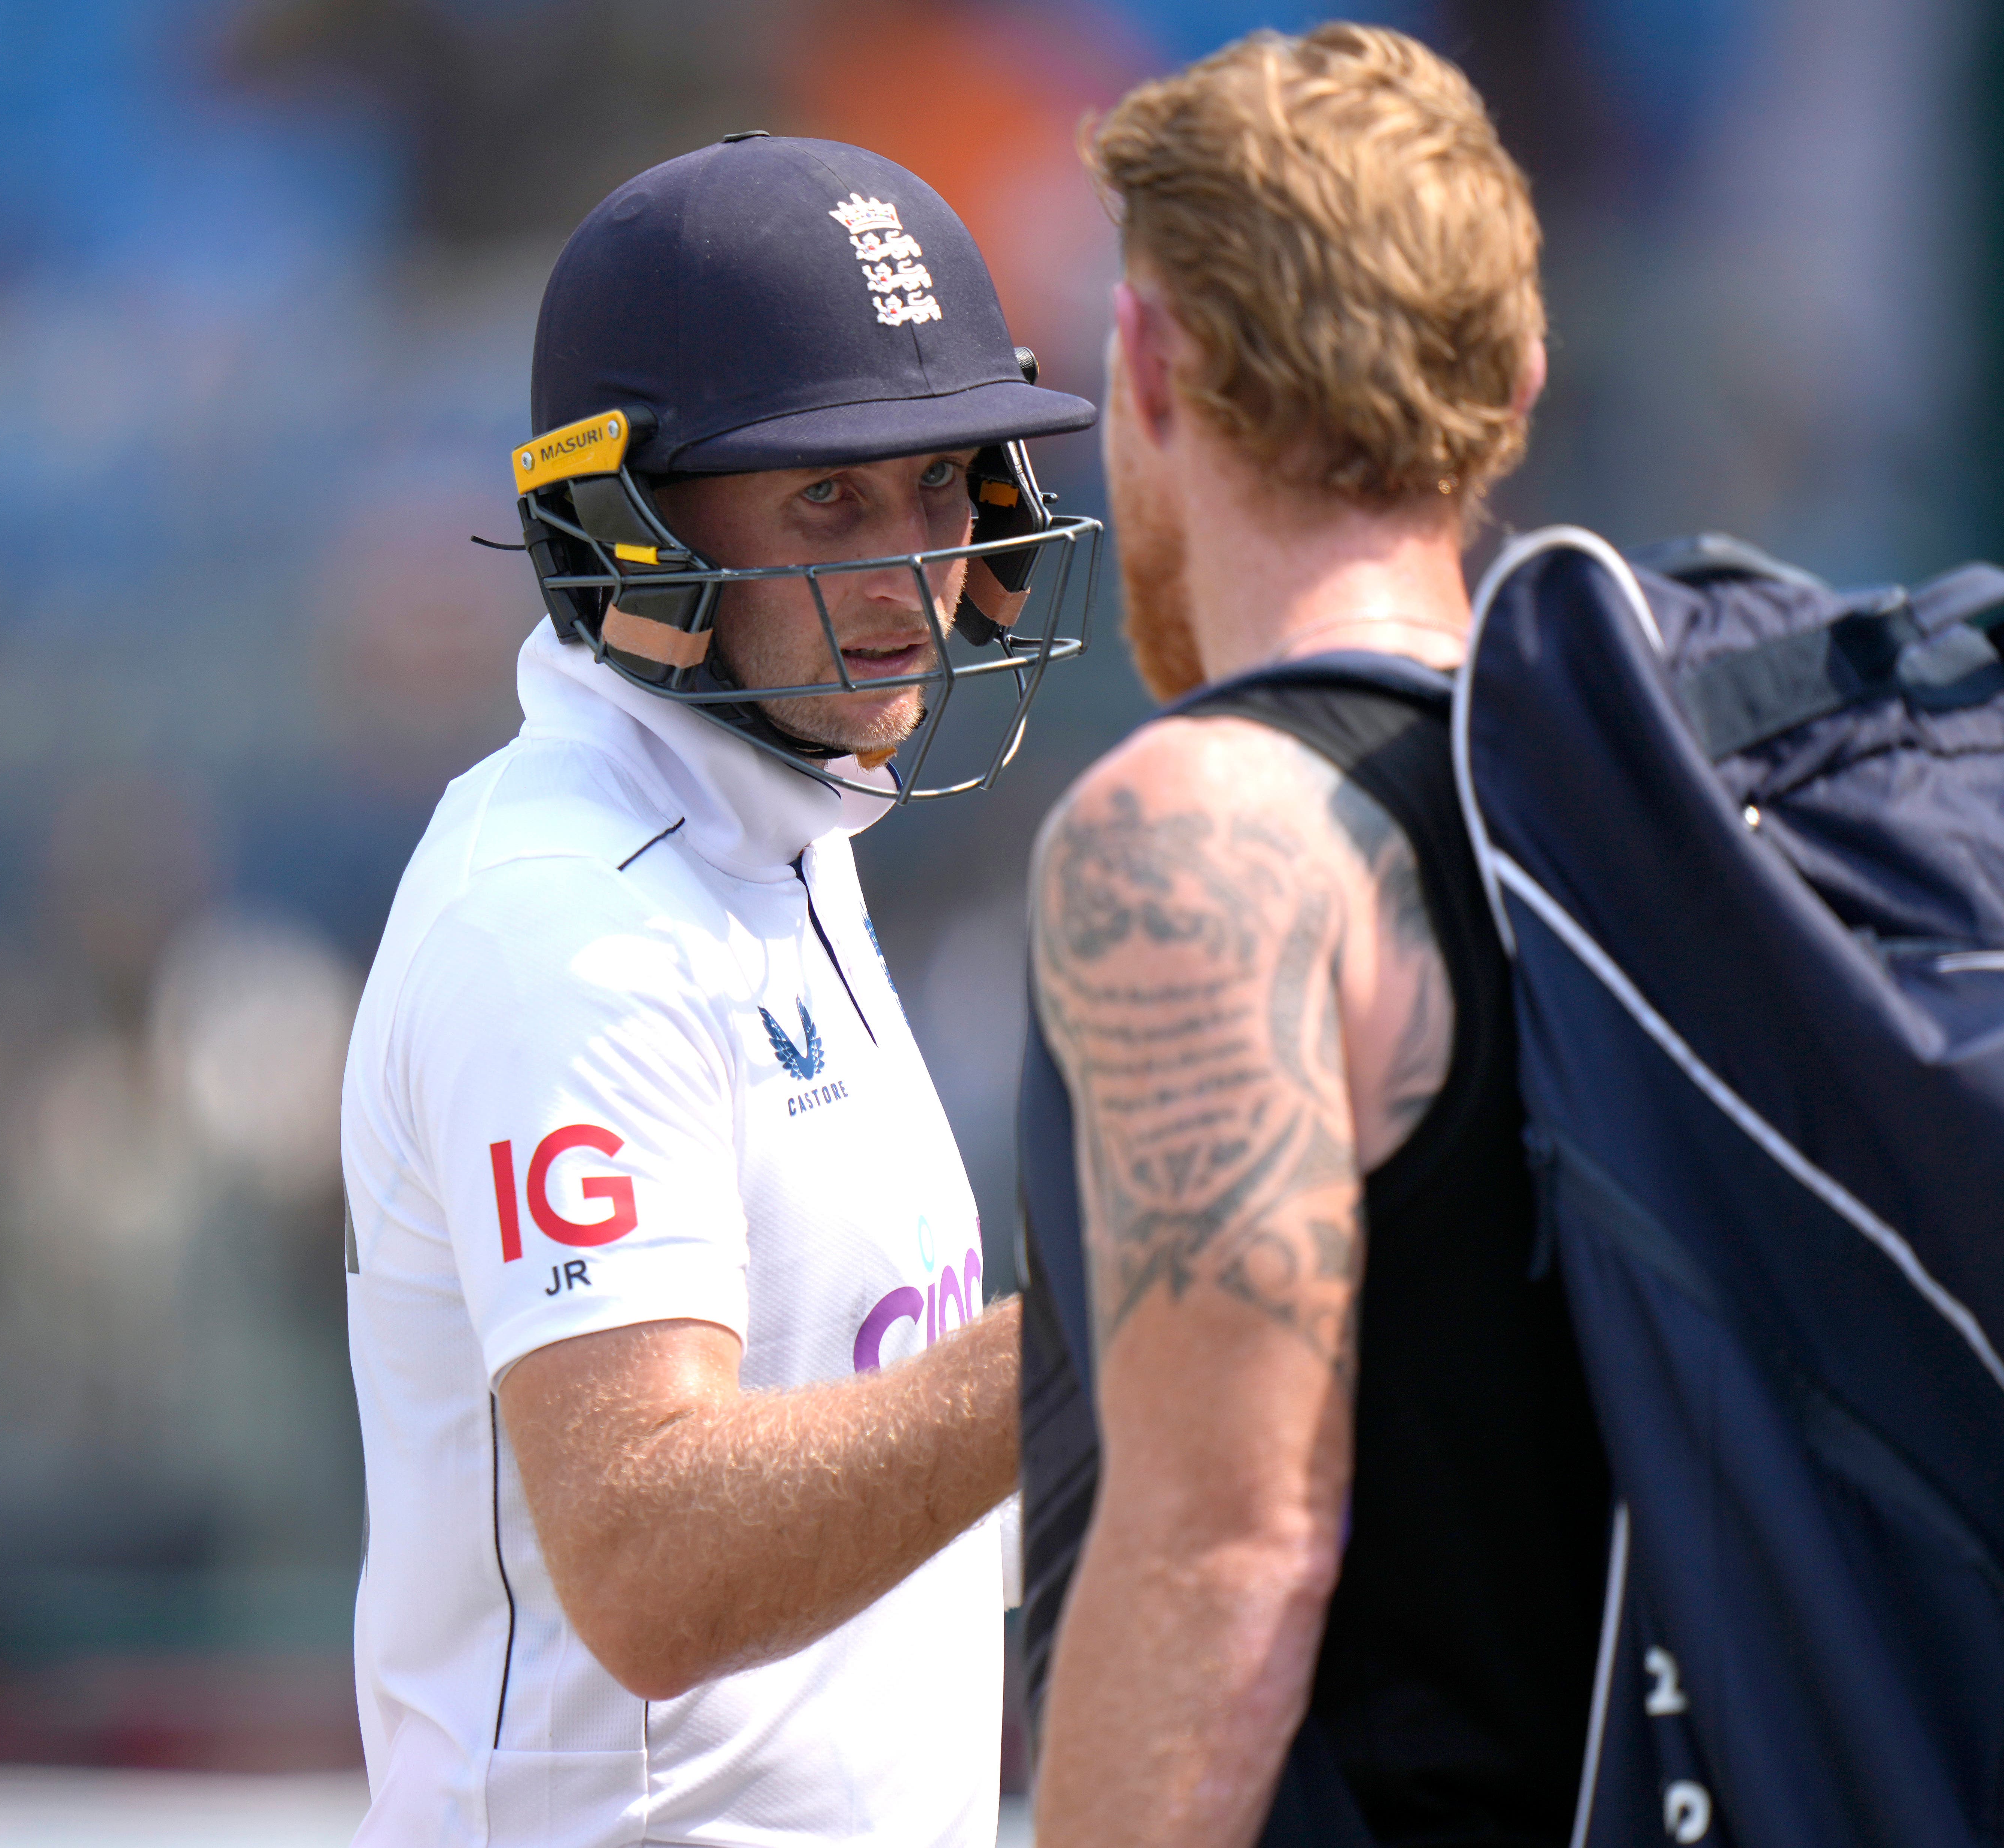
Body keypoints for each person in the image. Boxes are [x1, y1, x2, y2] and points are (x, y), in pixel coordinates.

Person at [340, 134, 1098, 1847]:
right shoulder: (560, 924)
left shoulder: (767, 830)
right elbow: (650, 1566)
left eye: (937, 483)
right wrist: (1107, 1330)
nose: (911, 572)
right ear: (627, 524)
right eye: (825, 496)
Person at [1020, 27, 1615, 1848]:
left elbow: (1232, 1540)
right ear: (1514, 387)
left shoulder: (1201, 833)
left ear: (1150, 360)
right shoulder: (1652, 803)